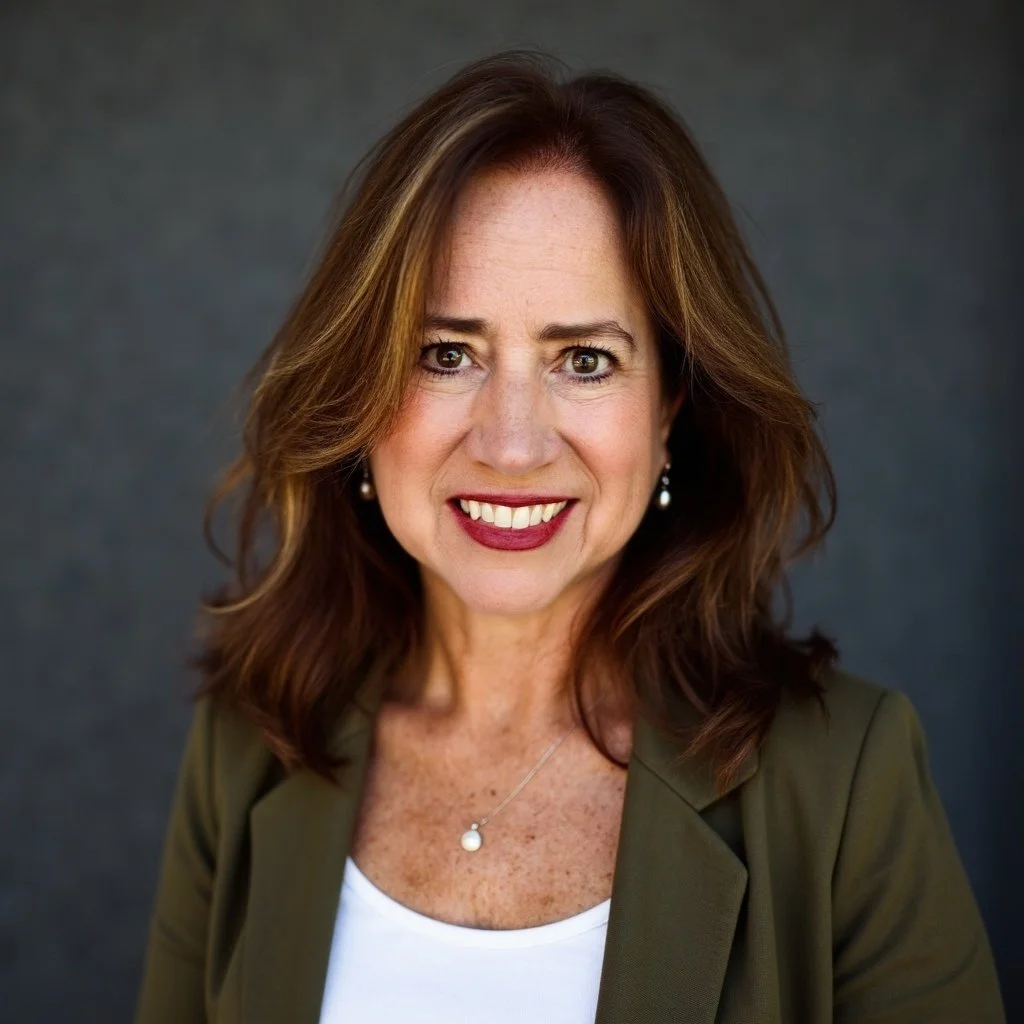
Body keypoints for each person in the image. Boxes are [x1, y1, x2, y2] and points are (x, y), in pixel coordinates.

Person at [133, 49, 1005, 1024]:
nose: (511, 444)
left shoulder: (845, 780)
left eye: (584, 359)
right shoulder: (250, 742)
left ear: (669, 404)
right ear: (359, 393)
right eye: (446, 353)